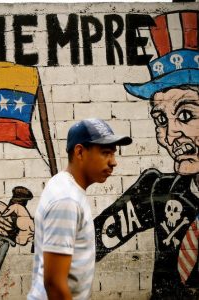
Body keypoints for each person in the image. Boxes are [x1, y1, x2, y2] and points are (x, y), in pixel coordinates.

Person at [93, 10, 199, 300]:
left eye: (186, 114)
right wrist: (28, 235)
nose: (169, 135)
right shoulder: (158, 190)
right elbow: (93, 241)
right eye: (161, 120)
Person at [27, 118, 132, 300]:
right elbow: (54, 284)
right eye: (106, 153)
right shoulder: (67, 200)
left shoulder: (63, 184)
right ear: (80, 152)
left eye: (113, 154)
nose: (113, 162)